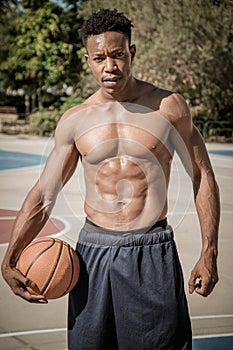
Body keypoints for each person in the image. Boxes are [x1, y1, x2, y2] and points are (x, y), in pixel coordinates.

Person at [1, 8, 220, 350]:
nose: (110, 67)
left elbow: (201, 176)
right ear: (88, 59)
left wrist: (209, 252)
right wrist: (11, 258)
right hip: (93, 254)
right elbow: (45, 194)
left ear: (131, 52)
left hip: (152, 250)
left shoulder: (168, 107)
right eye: (99, 58)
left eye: (118, 55)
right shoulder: (75, 120)